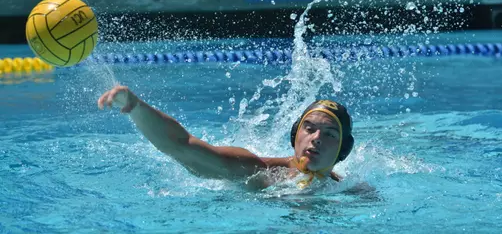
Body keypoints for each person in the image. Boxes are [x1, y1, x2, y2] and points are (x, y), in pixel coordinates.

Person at [97, 85, 355, 190]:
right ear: (295, 134)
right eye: (309, 128)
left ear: (344, 148)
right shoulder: (260, 173)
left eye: (330, 134)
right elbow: (181, 146)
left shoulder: (352, 192)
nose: (316, 138)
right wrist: (136, 107)